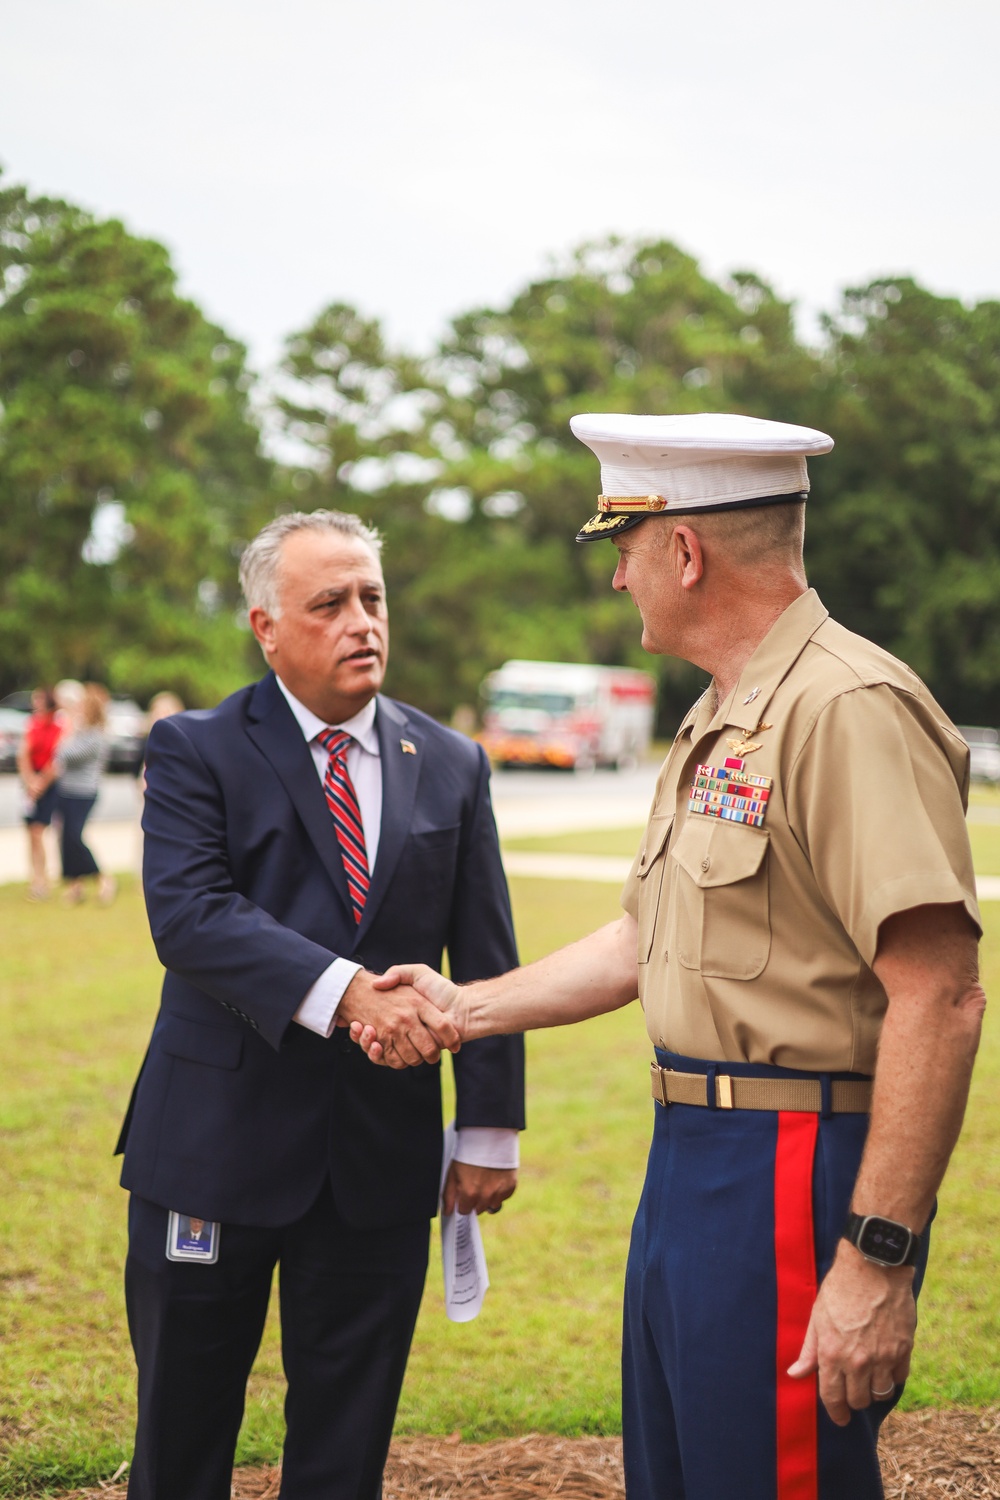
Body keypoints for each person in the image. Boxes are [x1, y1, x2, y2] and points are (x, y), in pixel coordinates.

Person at [353, 414, 985, 1500]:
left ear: (683, 551)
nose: (616, 580)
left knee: (772, 1477)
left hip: (794, 1162)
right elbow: (647, 937)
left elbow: (939, 993)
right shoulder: (721, 717)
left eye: (622, 546)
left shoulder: (845, 708)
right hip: (693, 1154)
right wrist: (464, 1009)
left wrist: (877, 1256)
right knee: (685, 1471)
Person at [116, 509, 525, 1500]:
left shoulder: (453, 763)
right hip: (212, 1148)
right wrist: (347, 997)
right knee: (184, 1429)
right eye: (329, 604)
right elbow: (191, 918)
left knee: (346, 1444)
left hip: (377, 1160)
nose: (361, 623)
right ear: (265, 625)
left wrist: (489, 1128)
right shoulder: (193, 748)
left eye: (373, 599)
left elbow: (483, 949)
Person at [55, 681, 115, 905]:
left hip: (83, 793)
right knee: (66, 841)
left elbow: (66, 754)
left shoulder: (96, 736)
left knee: (74, 837)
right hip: (67, 791)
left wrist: (67, 732)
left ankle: (103, 879)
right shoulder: (81, 732)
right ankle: (75, 886)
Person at [17, 686, 62, 900]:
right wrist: (30, 781)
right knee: (31, 833)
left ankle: (43, 879)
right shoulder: (32, 725)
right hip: (31, 782)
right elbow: (23, 755)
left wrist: (41, 783)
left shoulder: (57, 726)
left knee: (38, 831)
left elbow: (57, 760)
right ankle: (35, 877)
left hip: (48, 783)